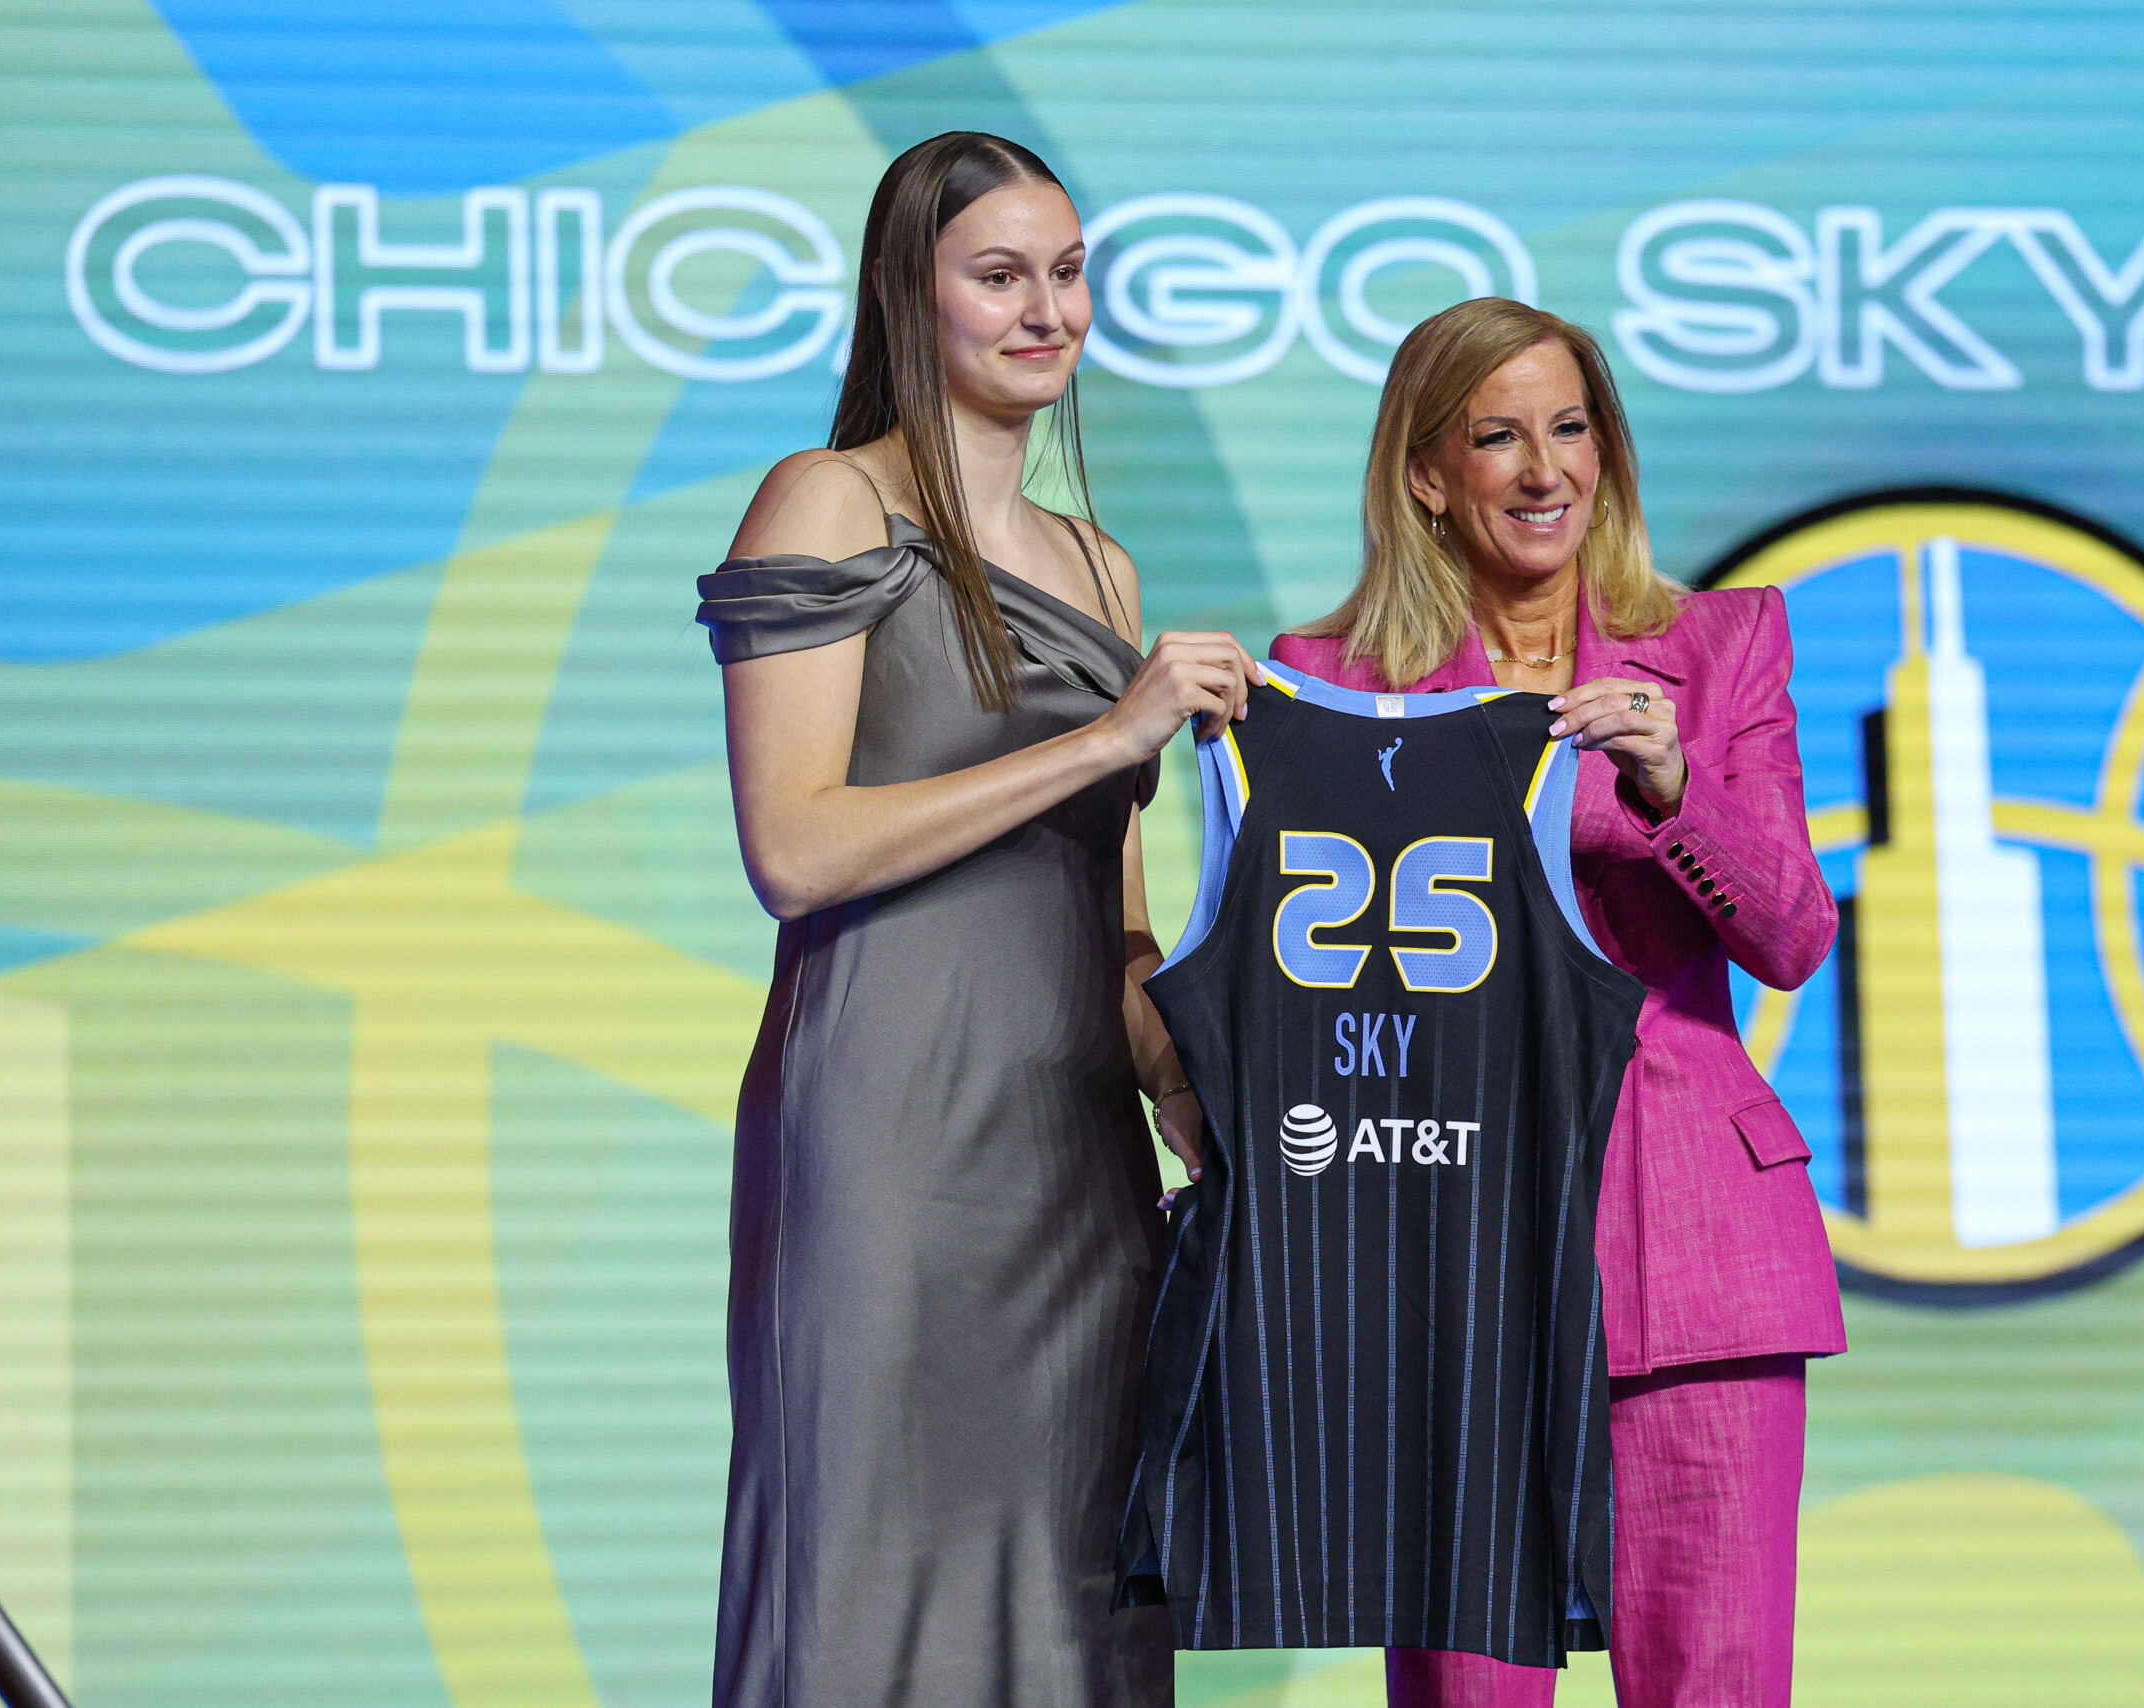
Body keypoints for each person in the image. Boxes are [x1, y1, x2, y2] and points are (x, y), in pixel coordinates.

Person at [695, 130, 1257, 1708]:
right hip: (889, 1149)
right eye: (999, 275)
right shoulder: (826, 501)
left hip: (1080, 1168)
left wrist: (1189, 1087)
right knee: (865, 1576)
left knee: (1081, 1596)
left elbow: (1116, 933)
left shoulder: (1099, 565)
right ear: (908, 296)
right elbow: (795, 850)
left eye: (1067, 273)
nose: (1048, 312)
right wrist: (1099, 739)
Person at [1269, 295, 1845, 1708]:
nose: (1546, 472)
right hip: (1446, 1259)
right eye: (1500, 436)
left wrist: (1669, 783)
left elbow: (1789, 935)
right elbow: (1308, 1002)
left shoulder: (1718, 650)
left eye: (1572, 429)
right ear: (1426, 473)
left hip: (1698, 1243)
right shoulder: (1325, 682)